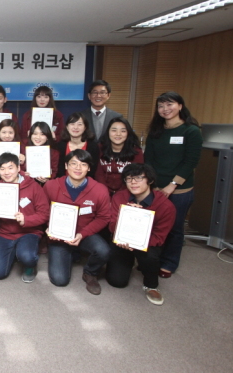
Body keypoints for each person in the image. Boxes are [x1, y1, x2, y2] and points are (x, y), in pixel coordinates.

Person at [144, 91, 202, 278]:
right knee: (153, 225)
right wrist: (152, 185)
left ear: (180, 106)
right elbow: (148, 159)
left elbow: (191, 162)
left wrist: (172, 185)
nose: (165, 109)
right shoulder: (155, 131)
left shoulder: (191, 131)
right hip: (155, 187)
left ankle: (169, 263)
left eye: (169, 104)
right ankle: (152, 259)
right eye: (161, 106)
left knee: (175, 228)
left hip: (179, 190)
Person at [105, 163, 176, 305]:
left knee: (150, 256)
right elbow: (112, 225)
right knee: (117, 281)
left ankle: (151, 285)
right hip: (122, 241)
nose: (133, 183)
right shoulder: (120, 197)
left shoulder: (166, 206)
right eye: (129, 179)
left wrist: (138, 244)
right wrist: (127, 215)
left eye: (138, 178)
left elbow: (159, 237)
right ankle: (129, 263)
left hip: (147, 244)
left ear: (149, 180)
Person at [43, 150, 111, 295]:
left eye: (83, 164)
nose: (78, 168)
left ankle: (90, 273)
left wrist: (82, 234)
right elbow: (43, 211)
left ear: (89, 168)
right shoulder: (51, 186)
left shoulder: (100, 190)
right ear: (66, 166)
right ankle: (72, 254)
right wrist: (49, 229)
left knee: (104, 251)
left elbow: (104, 217)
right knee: (59, 280)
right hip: (59, 236)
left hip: (84, 234)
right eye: (73, 163)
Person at [0, 152, 50, 282]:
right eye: (2, 169)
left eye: (10, 168)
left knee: (27, 256)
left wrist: (27, 220)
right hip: (6, 233)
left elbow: (44, 214)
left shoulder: (33, 187)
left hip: (29, 232)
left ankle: (30, 266)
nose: (6, 172)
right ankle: (16, 253)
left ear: (18, 168)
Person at [95, 117, 143, 195]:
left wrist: (120, 195)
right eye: (114, 130)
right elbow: (98, 174)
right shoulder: (99, 149)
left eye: (123, 131)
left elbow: (135, 176)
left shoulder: (136, 152)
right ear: (108, 132)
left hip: (127, 193)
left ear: (128, 133)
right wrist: (105, 193)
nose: (118, 134)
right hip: (102, 192)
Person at [55, 112, 99, 179]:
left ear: (85, 127)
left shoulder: (93, 147)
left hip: (86, 184)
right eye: (72, 124)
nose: (75, 127)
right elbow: (59, 171)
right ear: (67, 126)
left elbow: (93, 171)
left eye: (79, 124)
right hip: (63, 183)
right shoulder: (60, 146)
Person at [21, 121, 59, 185]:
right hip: (26, 184)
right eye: (35, 134)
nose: (38, 137)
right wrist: (23, 173)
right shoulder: (24, 150)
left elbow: (54, 171)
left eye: (42, 134)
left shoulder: (54, 153)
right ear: (30, 135)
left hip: (44, 186)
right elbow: (17, 169)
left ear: (47, 137)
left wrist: (48, 178)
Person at [0, 118, 22, 184]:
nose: (7, 136)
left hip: (16, 182)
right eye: (4, 132)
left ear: (15, 133)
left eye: (10, 133)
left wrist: (22, 162)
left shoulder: (20, 147)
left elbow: (23, 169)